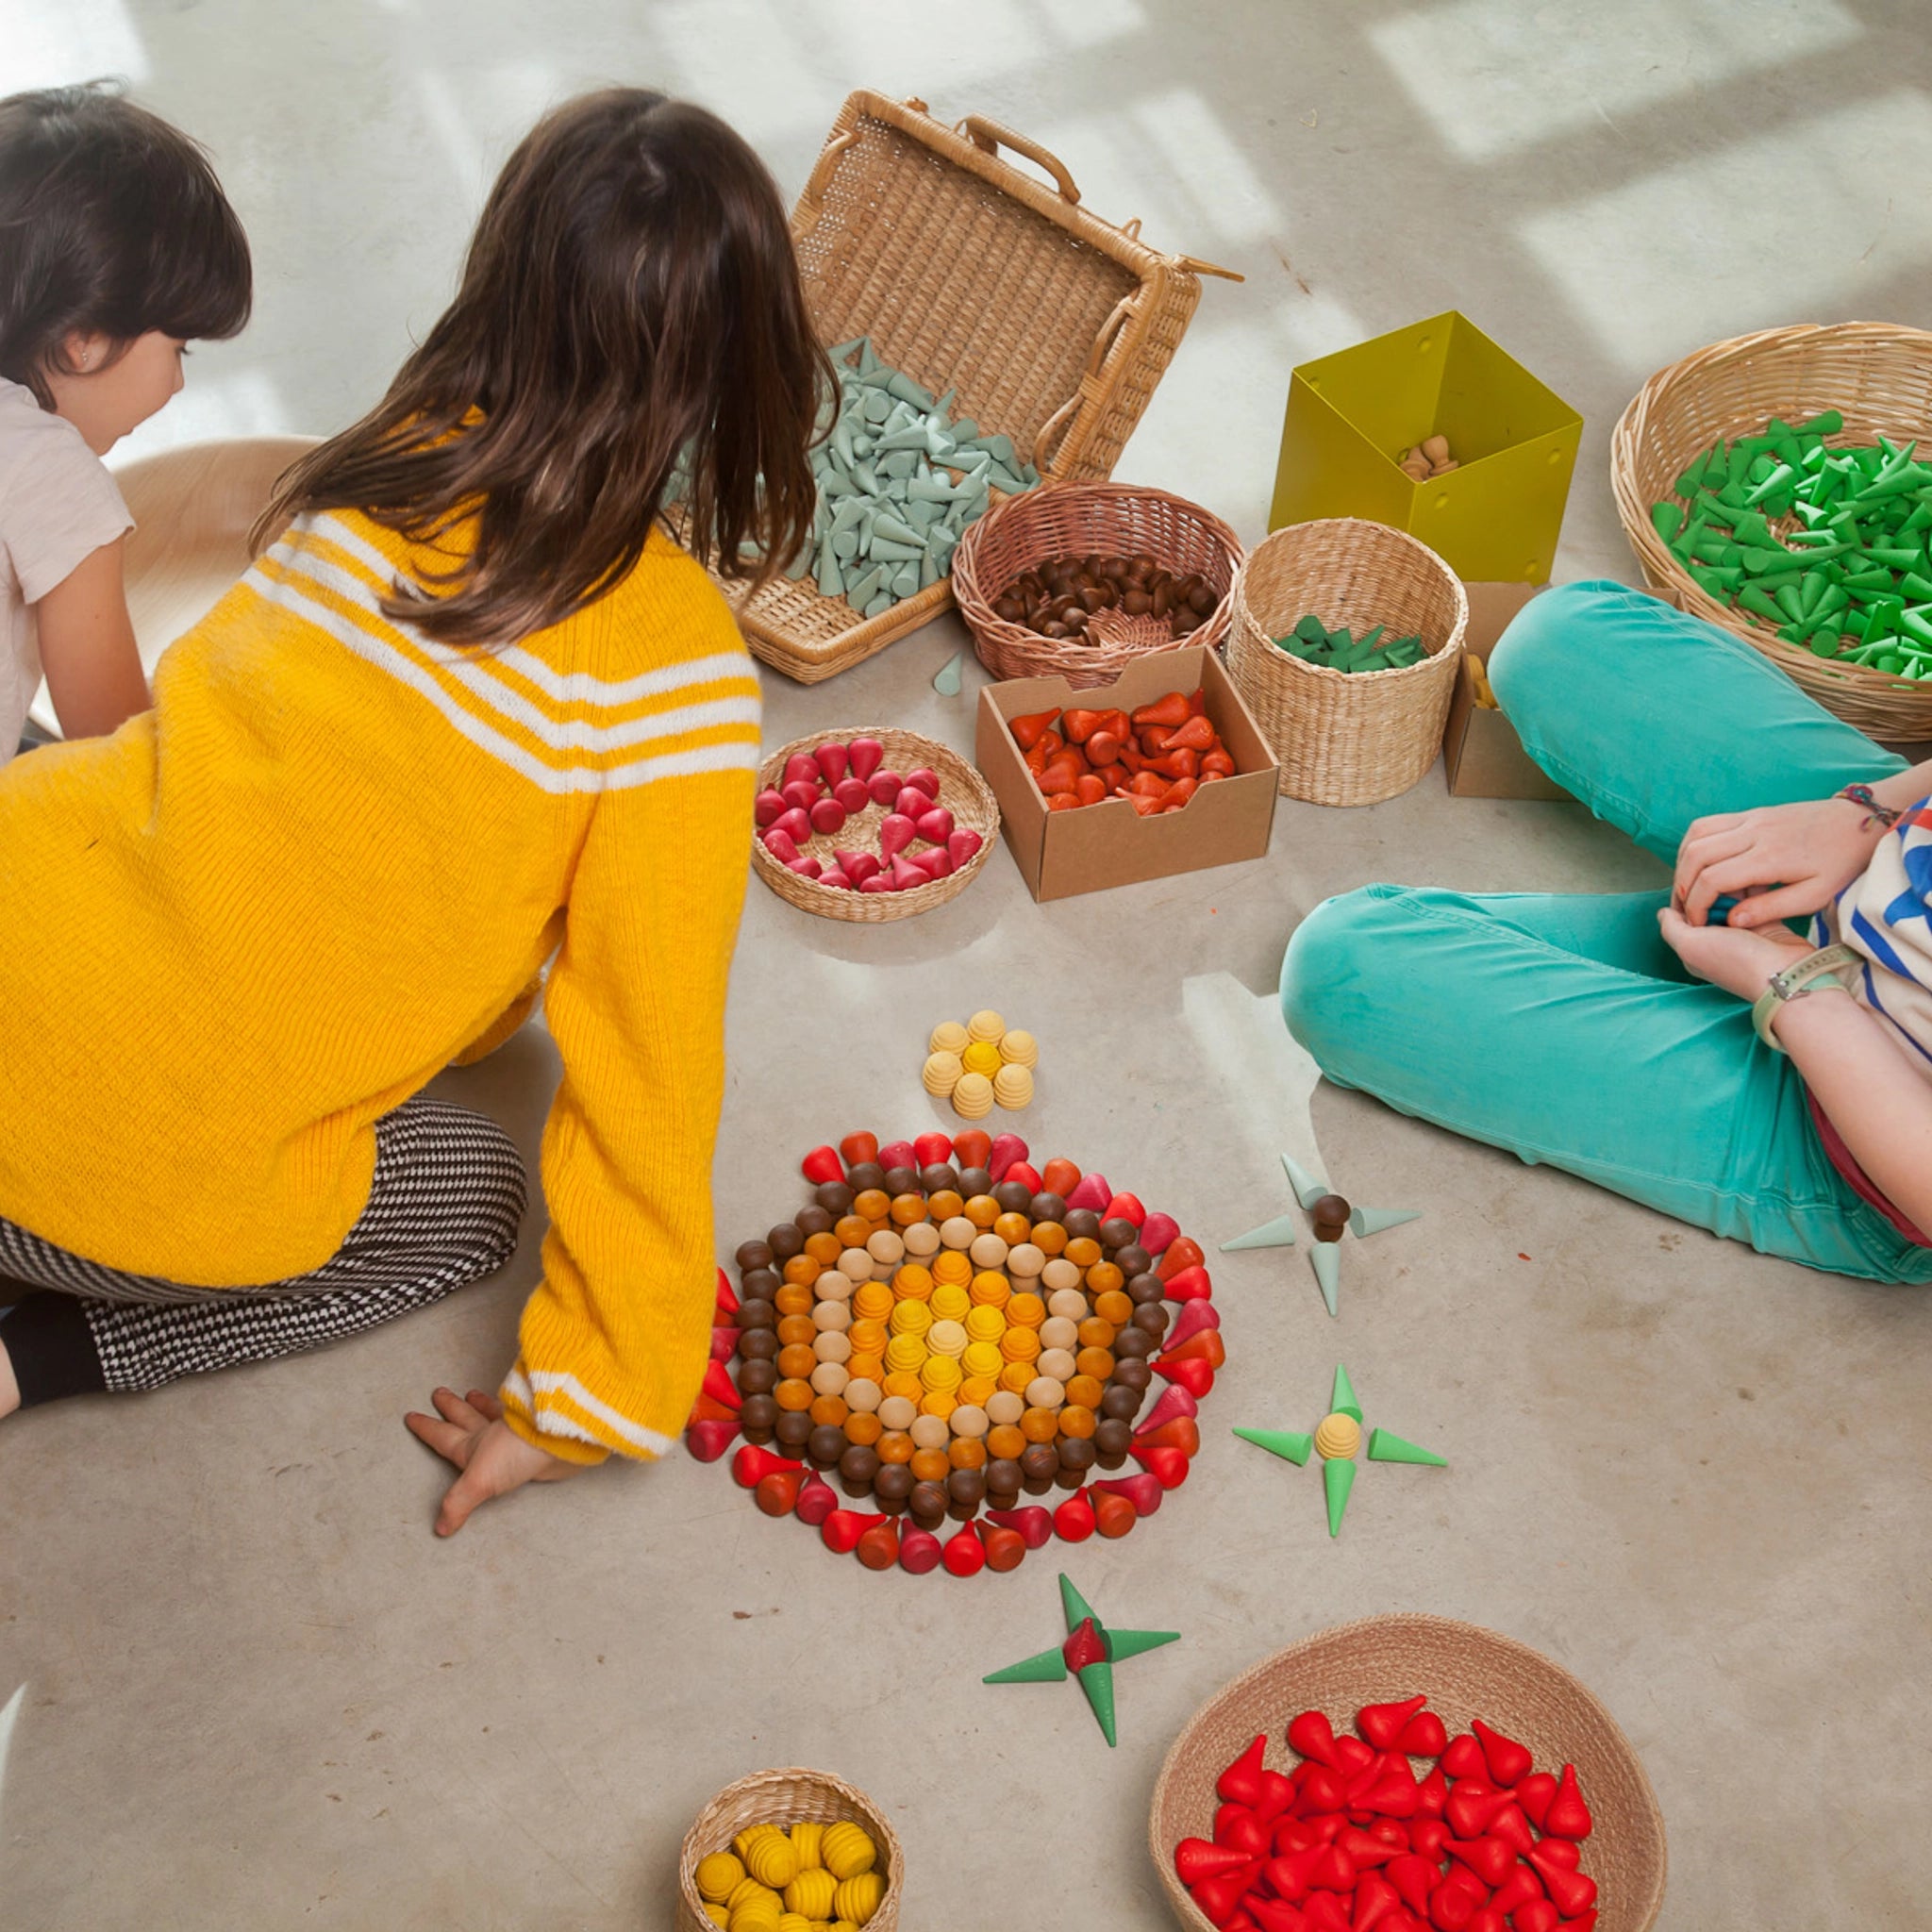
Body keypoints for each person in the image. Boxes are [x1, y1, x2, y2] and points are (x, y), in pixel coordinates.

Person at [0, 89, 827, 1538]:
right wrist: (588, 1394)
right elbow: (645, 1059)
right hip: (97, 1184)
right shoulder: (678, 672)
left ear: (497, 279)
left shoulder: (375, 469)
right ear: (737, 361)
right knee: (469, 1197)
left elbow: (221, 741)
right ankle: (34, 1355)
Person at [1281, 579, 1932, 1285]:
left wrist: (1800, 993)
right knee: (1555, 641)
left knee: (1341, 968)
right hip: (1879, 863)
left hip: (1857, 1134)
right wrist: (1865, 813)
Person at [0, 82, 251, 755]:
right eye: (178, 347)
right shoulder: (56, 478)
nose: (176, 382)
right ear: (83, 340)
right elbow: (115, 746)